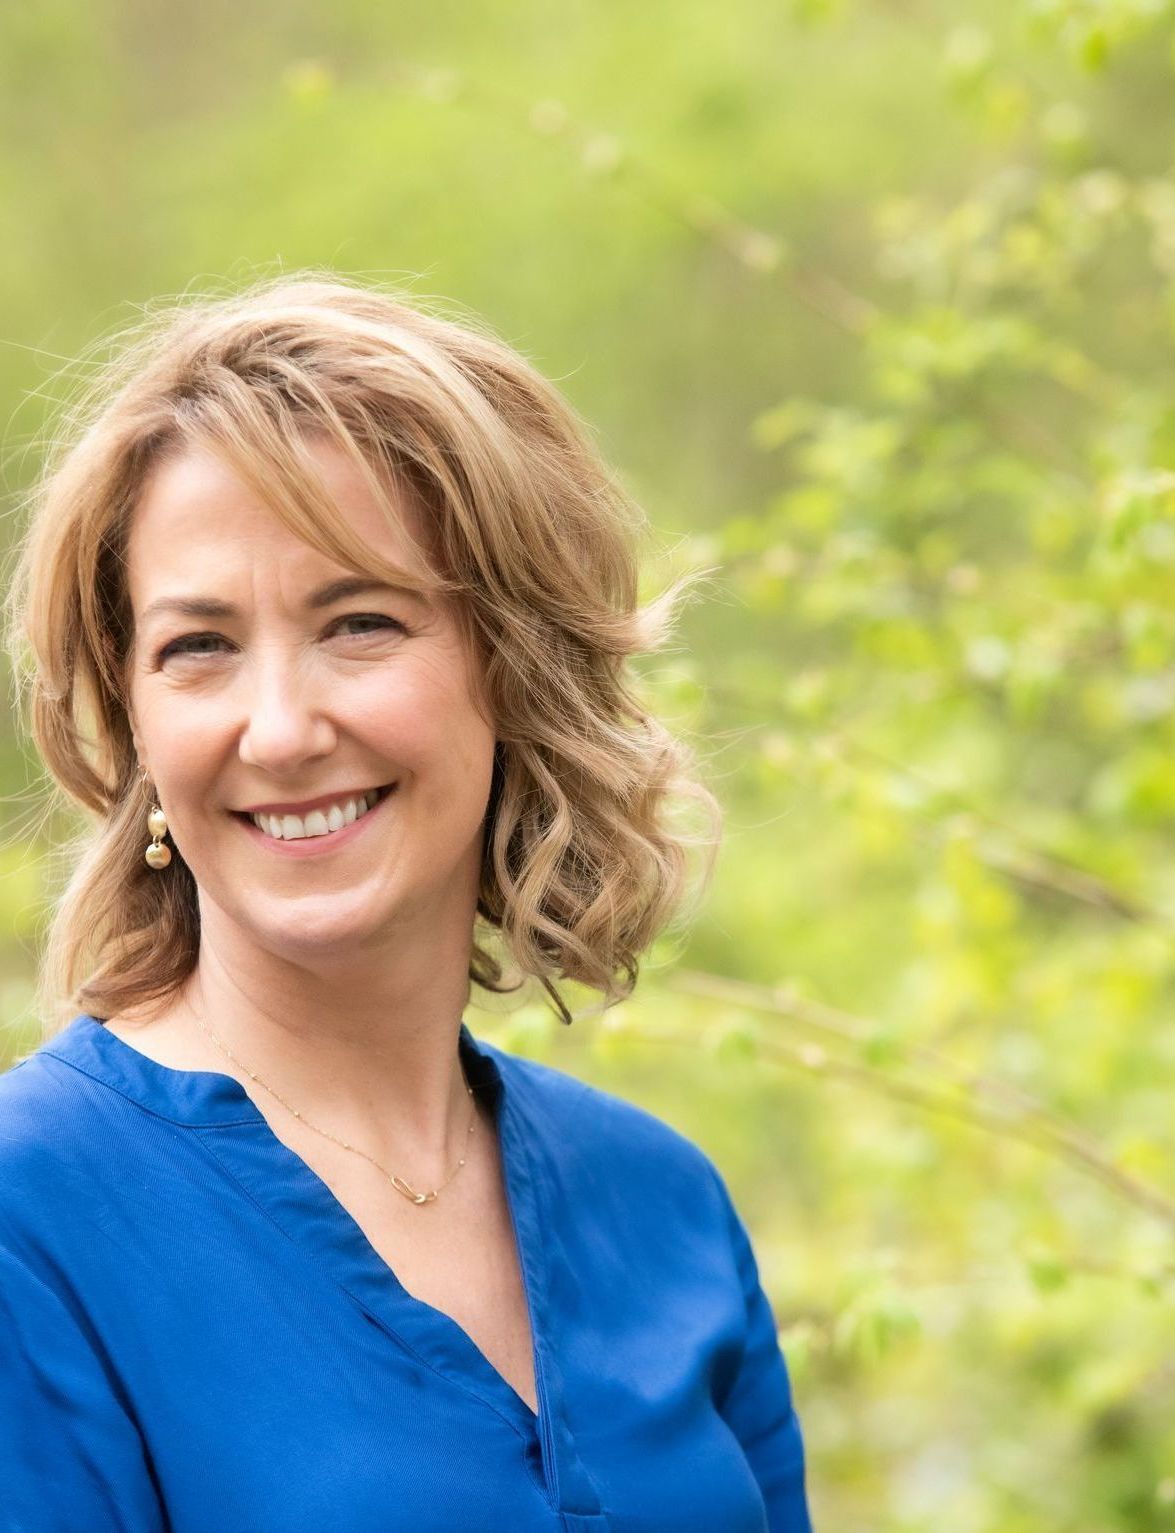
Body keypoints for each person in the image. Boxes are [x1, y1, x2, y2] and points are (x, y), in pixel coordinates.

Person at [0, 275, 811, 1531]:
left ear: (517, 667)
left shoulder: (661, 1203)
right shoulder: (34, 1216)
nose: (280, 729)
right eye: (199, 647)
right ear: (134, 719)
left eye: (360, 623)